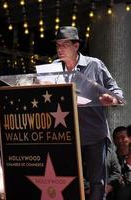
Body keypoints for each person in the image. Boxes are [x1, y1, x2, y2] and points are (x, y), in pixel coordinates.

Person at [53, 26, 124, 200]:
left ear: (76, 46)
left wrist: (112, 99)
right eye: (58, 45)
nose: (60, 49)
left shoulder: (94, 64)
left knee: (97, 183)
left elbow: (116, 91)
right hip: (65, 135)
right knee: (66, 181)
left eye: (64, 44)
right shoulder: (53, 67)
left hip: (93, 134)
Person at [112, 126, 131, 200]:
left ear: (129, 139)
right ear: (113, 141)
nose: (120, 141)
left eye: (123, 137)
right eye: (117, 138)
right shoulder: (110, 159)